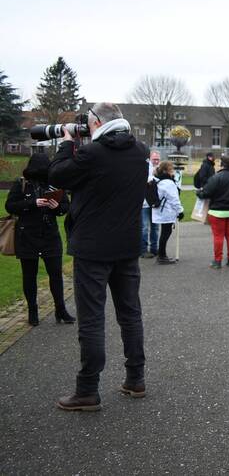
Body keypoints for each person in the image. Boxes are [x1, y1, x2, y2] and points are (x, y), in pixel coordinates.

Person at [48, 102, 149, 411]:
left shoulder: (92, 154)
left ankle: (87, 389)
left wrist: (67, 145)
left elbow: (58, 175)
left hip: (93, 249)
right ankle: (135, 379)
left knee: (91, 320)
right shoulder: (140, 151)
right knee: (130, 314)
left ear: (95, 123)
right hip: (127, 246)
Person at [5, 152, 74, 326]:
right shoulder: (21, 184)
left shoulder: (54, 185)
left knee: (56, 275)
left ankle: (60, 309)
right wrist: (32, 203)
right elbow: (10, 206)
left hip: (50, 235)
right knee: (29, 276)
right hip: (27, 236)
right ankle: (32, 310)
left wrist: (56, 206)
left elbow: (65, 207)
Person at [196, 156, 229, 267]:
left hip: (217, 211)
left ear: (222, 165)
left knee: (218, 237)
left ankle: (217, 261)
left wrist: (199, 193)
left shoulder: (216, 177)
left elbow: (206, 193)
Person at [151, 161, 183, 265]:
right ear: (166, 170)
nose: (172, 171)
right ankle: (162, 256)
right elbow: (174, 199)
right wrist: (180, 211)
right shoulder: (168, 183)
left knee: (164, 233)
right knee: (166, 233)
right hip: (166, 211)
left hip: (161, 211)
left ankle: (162, 255)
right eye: (171, 169)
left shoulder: (159, 179)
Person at [140, 149, 161, 258]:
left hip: (155, 203)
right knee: (144, 227)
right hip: (144, 203)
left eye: (158, 159)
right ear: (150, 159)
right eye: (154, 159)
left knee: (155, 227)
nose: (156, 161)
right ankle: (143, 250)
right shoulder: (145, 168)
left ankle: (154, 248)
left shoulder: (160, 169)